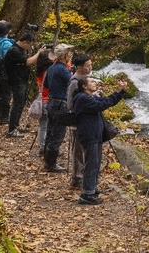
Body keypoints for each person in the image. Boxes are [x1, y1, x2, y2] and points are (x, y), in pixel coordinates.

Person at [71, 76, 128, 205]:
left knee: (95, 163)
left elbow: (105, 101)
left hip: (95, 135)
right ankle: (87, 194)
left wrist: (120, 92)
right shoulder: (82, 98)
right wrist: (117, 92)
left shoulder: (88, 97)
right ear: (84, 86)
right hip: (89, 135)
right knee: (91, 164)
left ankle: (91, 188)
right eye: (91, 81)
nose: (95, 83)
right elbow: (103, 104)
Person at [43, 43, 74, 172]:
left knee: (50, 131)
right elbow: (73, 83)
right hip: (61, 103)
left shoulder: (51, 68)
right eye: (69, 54)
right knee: (58, 134)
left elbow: (45, 84)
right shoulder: (62, 69)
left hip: (51, 101)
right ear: (65, 55)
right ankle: (51, 164)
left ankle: (48, 161)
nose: (70, 55)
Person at [3, 32, 37, 137]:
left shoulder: (19, 50)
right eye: (29, 45)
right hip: (16, 81)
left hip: (21, 80)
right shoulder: (14, 51)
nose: (29, 48)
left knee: (20, 104)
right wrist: (39, 53)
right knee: (17, 104)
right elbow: (28, 62)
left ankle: (16, 125)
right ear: (25, 42)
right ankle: (12, 129)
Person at [67, 53, 93, 189]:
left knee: (83, 149)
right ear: (79, 67)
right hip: (77, 120)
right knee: (78, 149)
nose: (90, 68)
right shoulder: (75, 81)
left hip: (85, 119)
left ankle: (83, 175)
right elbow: (70, 103)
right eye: (88, 66)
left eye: (91, 65)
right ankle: (77, 178)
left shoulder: (84, 79)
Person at [33, 48, 52, 156]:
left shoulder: (39, 71)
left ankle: (42, 146)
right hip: (48, 100)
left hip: (41, 101)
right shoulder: (49, 72)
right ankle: (46, 147)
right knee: (48, 125)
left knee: (42, 125)